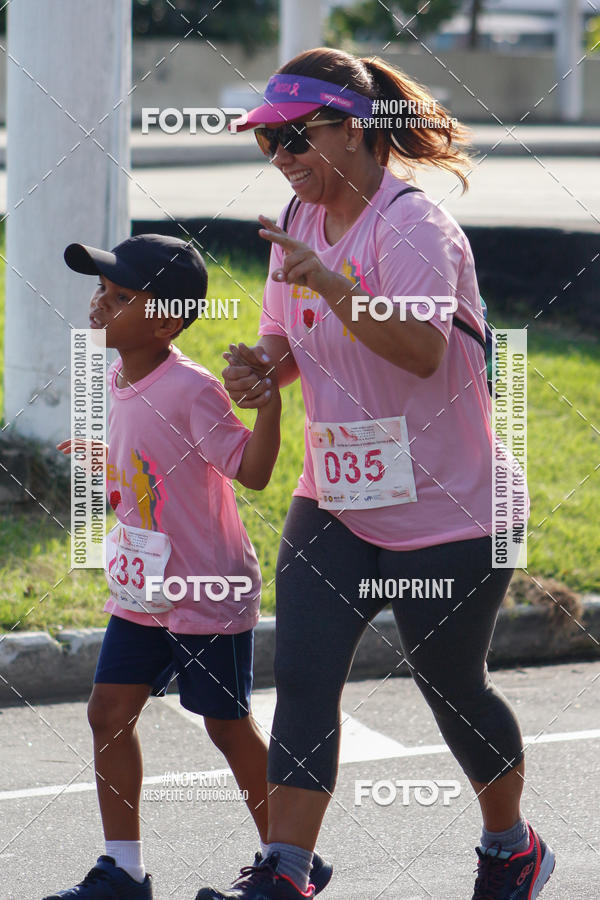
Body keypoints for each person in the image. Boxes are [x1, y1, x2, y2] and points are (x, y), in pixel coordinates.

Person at [195, 49, 555, 900]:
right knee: (307, 681)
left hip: (453, 512)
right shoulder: (298, 217)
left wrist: (336, 284)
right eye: (267, 144)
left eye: (293, 139)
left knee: (452, 686)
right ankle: (285, 872)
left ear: (351, 132)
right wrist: (259, 370)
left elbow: (424, 351)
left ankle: (512, 847)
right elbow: (287, 342)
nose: (279, 159)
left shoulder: (413, 228)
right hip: (340, 503)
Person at [41, 233, 312, 900]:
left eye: (120, 295)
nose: (101, 304)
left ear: (164, 319)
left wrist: (271, 405)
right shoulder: (118, 375)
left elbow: (250, 472)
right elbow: (151, 468)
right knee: (107, 713)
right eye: (102, 289)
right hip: (143, 588)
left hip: (203, 587)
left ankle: (287, 860)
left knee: (225, 726)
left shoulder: (192, 388)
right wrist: (108, 468)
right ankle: (124, 871)